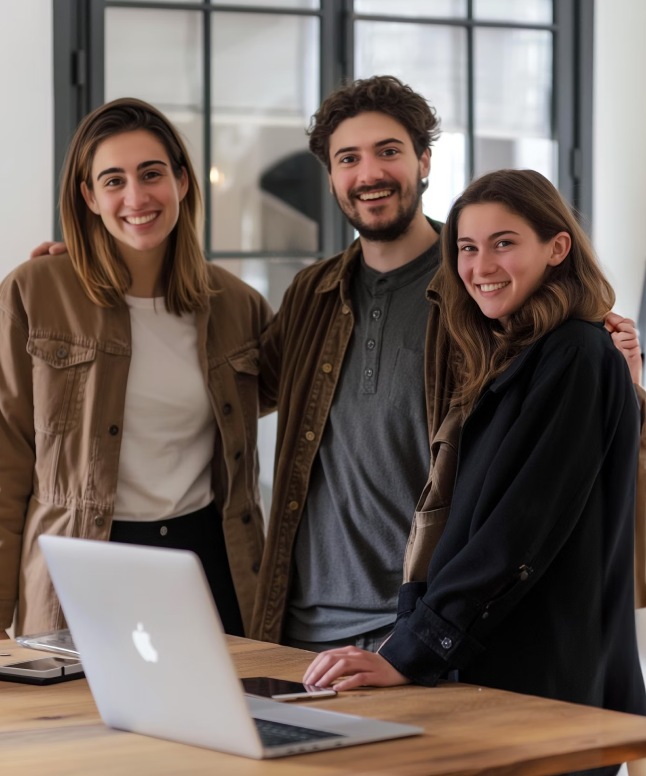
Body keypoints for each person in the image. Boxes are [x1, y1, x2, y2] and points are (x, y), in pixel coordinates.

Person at [30, 78, 645, 654]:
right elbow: (229, 389)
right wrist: (84, 267)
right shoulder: (310, 293)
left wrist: (604, 344)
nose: (368, 173)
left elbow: (554, 435)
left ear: (424, 161)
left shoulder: (476, 288)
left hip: (419, 627)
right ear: (330, 177)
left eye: (388, 151)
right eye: (347, 158)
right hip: (297, 625)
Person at [303, 170, 646, 776]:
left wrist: (411, 651)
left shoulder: (577, 354)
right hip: (496, 682)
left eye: (504, 243)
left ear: (557, 247)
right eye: (466, 247)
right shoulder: (514, 356)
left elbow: (516, 532)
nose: (481, 265)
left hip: (540, 695)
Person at [0, 98, 272, 640]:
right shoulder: (34, 293)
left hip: (207, 563)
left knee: (211, 722)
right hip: (80, 567)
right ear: (89, 198)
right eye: (113, 180)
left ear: (183, 182)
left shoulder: (237, 306)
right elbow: (5, 463)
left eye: (152, 174)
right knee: (76, 724)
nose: (136, 197)